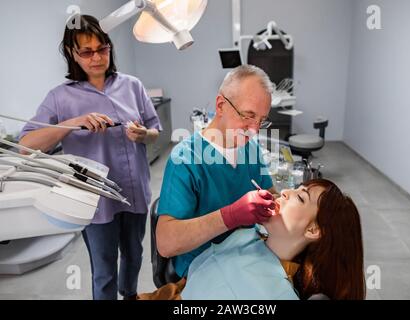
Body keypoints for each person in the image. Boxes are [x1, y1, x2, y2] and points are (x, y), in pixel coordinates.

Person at [18, 15, 162, 300]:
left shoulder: (132, 85)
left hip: (135, 194)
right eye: (86, 51)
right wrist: (75, 122)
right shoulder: (60, 98)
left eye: (102, 48)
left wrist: (143, 134)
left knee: (134, 255)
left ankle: (129, 294)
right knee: (104, 268)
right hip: (95, 202)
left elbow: (156, 131)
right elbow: (26, 145)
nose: (96, 57)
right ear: (72, 53)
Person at [138, 179, 366, 300]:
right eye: (296, 187)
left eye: (300, 196)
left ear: (313, 230)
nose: (285, 191)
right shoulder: (246, 235)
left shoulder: (278, 294)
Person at [156, 65, 278, 279]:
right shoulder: (185, 160)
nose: (255, 129)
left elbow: (271, 192)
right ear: (221, 105)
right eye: (248, 116)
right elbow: (166, 243)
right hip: (203, 267)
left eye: (261, 120)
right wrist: (230, 216)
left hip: (246, 255)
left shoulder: (250, 148)